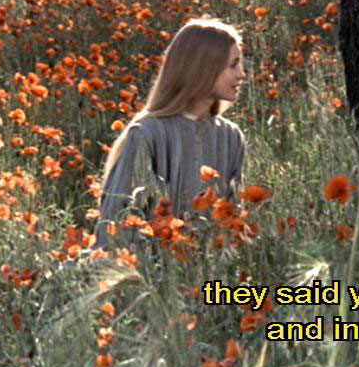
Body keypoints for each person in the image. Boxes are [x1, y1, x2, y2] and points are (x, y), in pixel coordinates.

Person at [94, 18, 248, 248]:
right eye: (233, 65)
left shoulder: (231, 137)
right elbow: (116, 225)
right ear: (203, 68)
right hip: (147, 264)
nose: (242, 74)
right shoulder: (147, 134)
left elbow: (233, 219)